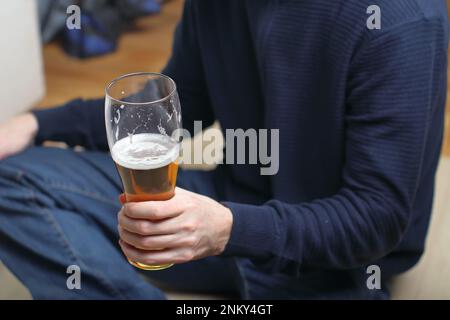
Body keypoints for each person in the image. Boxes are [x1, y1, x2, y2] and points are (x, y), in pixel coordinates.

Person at [0, 0, 448, 299]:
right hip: (227, 202)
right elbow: (185, 99)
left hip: (332, 258)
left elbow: (376, 219)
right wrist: (38, 122)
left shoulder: (400, 19)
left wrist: (230, 230)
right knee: (10, 179)